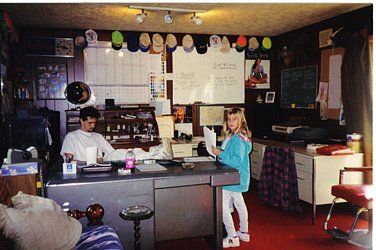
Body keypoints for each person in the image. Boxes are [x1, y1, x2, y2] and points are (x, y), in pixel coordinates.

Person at [212, 107, 252, 248]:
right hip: (237, 177)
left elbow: (236, 160)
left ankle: (232, 237)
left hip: (233, 178)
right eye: (229, 119)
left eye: (234, 119)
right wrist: (216, 148)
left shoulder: (238, 139)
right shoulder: (235, 135)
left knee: (222, 207)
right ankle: (244, 232)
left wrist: (219, 153)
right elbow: (228, 150)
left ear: (241, 120)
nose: (231, 122)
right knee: (240, 205)